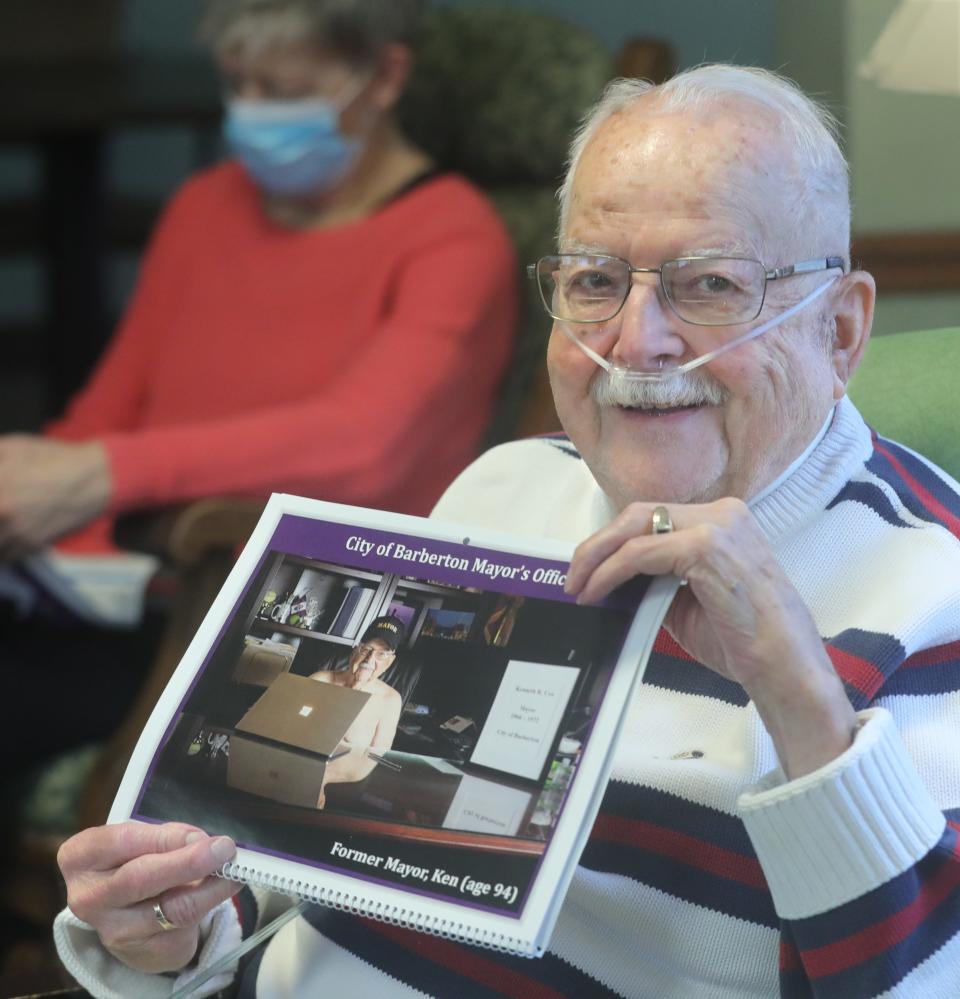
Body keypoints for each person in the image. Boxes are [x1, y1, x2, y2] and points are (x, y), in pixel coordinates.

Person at [53, 64, 960, 997]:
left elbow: (920, 978)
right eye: (597, 281)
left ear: (842, 332)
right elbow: (321, 870)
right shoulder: (508, 485)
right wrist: (178, 930)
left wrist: (798, 691)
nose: (636, 341)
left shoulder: (934, 587)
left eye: (711, 284)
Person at [0, 0, 516, 771]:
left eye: (282, 90)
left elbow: (360, 443)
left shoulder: (456, 238)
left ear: (383, 77)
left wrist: (101, 473)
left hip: (269, 625)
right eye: (236, 84)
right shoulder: (204, 207)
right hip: (117, 592)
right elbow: (104, 418)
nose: (250, 113)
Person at [309, 614, 405, 750]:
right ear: (355, 650)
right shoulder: (319, 680)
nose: (370, 659)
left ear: (390, 662)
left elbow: (376, 757)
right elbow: (288, 727)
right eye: (366, 649)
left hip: (347, 770)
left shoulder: (390, 700)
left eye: (381, 654)